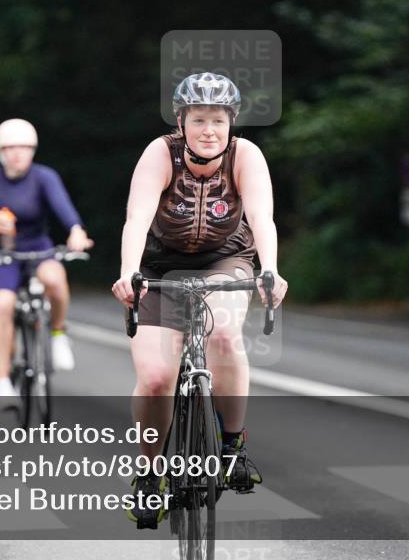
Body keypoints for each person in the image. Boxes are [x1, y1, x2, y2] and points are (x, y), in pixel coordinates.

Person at [110, 72, 288, 528]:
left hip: (225, 261)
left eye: (218, 121)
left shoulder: (245, 156)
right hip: (159, 267)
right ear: (181, 122)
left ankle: (232, 448)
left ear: (231, 123)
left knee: (224, 335)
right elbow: (137, 218)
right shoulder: (160, 153)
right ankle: (150, 476)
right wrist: (129, 272)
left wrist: (269, 269)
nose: (209, 131)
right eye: (199, 120)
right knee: (155, 378)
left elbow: (262, 218)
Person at [0, 118, 93, 408]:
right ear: (0, 151)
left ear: (33, 149)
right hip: (0, 252)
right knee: (2, 305)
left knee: (55, 280)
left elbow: (63, 207)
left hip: (37, 247)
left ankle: (58, 332)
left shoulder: (44, 177)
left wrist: (75, 230)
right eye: (10, 148)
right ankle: (2, 382)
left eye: (24, 147)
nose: (17, 153)